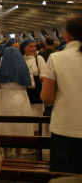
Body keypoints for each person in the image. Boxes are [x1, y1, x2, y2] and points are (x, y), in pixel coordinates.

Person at [41, 16, 82, 173]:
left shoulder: (57, 58)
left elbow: (47, 97)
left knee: (65, 176)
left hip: (66, 129)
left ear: (67, 35)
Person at [0, 47, 34, 158]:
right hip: (21, 97)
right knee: (19, 126)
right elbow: (31, 85)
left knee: (5, 126)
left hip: (4, 99)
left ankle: (5, 153)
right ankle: (18, 153)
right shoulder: (25, 68)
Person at [20, 39, 47, 134]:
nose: (33, 49)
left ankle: (36, 134)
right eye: (30, 46)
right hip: (24, 91)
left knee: (36, 114)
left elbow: (44, 74)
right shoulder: (20, 59)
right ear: (24, 48)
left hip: (36, 91)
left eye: (34, 46)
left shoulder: (38, 59)